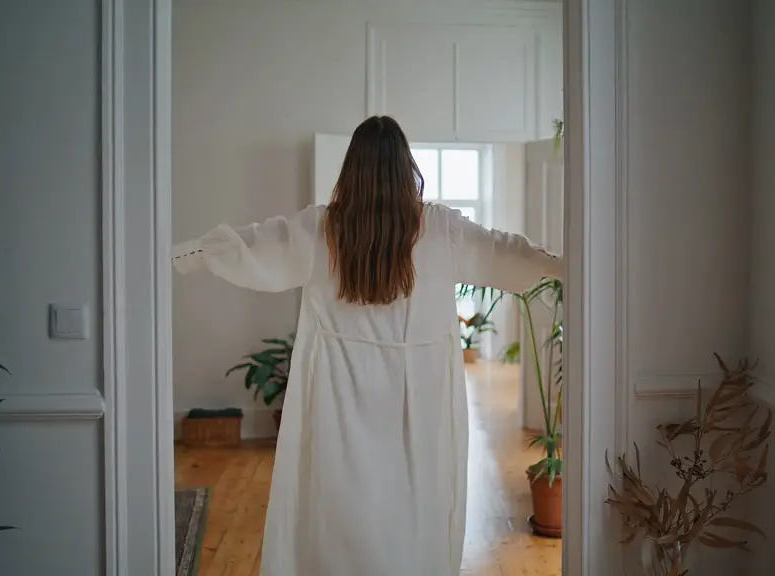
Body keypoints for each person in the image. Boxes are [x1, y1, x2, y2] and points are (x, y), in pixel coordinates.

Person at [172, 115, 563, 576]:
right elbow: (508, 252)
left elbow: (255, 245)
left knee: (340, 515)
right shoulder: (440, 229)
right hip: (419, 403)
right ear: (406, 168)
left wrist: (184, 252)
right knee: (416, 511)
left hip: (341, 399)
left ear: (351, 168)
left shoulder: (322, 228)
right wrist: (566, 265)